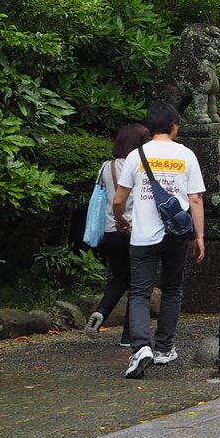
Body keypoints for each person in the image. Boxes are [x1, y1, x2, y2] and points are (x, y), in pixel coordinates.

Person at [113, 102, 204, 379]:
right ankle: (164, 348)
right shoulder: (186, 155)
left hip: (143, 236)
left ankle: (141, 347)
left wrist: (121, 220)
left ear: (150, 127)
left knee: (140, 292)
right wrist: (199, 235)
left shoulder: (135, 156)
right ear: (174, 126)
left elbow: (118, 199)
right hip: (176, 234)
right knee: (172, 289)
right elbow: (196, 199)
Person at [85, 122, 152, 347]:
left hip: (111, 230)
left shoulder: (107, 166)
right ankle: (129, 335)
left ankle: (102, 313)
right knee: (139, 284)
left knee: (120, 277)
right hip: (135, 230)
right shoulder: (144, 166)